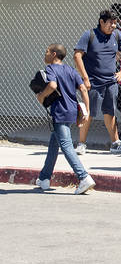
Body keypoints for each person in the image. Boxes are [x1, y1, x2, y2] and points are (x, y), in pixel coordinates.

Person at [33, 44, 96, 195]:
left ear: (54, 54)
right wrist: (87, 111)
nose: (45, 54)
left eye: (47, 51)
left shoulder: (51, 69)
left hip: (60, 111)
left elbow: (52, 85)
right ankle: (44, 178)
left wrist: (41, 96)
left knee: (66, 145)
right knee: (54, 145)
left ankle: (84, 177)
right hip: (72, 110)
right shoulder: (71, 70)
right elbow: (83, 89)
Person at [73, 9, 121, 155]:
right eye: (110, 23)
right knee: (88, 113)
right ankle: (81, 144)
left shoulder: (116, 35)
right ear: (101, 22)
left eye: (115, 23)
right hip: (93, 83)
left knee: (110, 112)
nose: (113, 26)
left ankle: (115, 144)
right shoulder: (89, 35)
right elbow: (77, 56)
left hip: (111, 82)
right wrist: (85, 78)